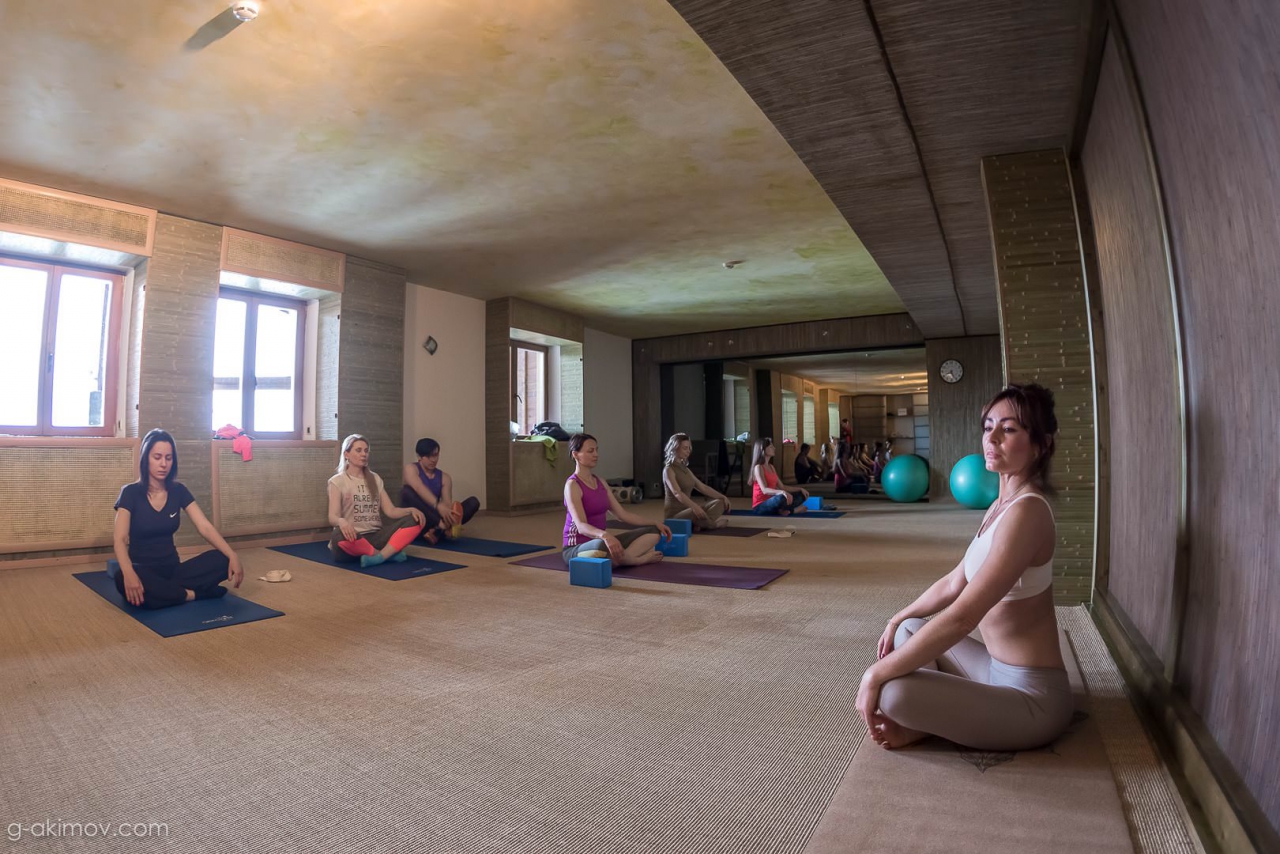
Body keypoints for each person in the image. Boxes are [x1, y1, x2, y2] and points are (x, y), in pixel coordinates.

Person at [856, 383, 1070, 752]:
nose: (992, 438)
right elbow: (955, 581)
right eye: (988, 427)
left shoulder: (1029, 512)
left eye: (1009, 428)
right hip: (990, 670)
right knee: (909, 628)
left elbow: (963, 618)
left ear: (1041, 444)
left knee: (893, 694)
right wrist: (896, 618)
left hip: (1032, 698)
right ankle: (943, 717)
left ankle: (928, 724)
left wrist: (874, 674)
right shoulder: (1000, 506)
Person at [112, 428, 244, 609]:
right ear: (145, 458)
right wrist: (129, 573)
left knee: (222, 560)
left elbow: (204, 526)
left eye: (168, 458)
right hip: (143, 571)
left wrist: (232, 554)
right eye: (157, 457)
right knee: (121, 577)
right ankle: (192, 594)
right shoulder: (130, 492)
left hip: (174, 570)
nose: (163, 464)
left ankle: (166, 593)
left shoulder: (178, 490)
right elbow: (119, 539)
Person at [563, 433, 672, 566]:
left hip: (602, 541)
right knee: (601, 546)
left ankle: (620, 560)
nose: (596, 454)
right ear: (575, 454)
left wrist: (654, 522)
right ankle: (636, 560)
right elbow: (581, 526)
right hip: (577, 548)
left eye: (597, 450)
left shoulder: (601, 482)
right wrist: (605, 535)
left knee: (653, 532)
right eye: (590, 451)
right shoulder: (572, 485)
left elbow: (622, 515)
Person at [327, 434, 425, 568]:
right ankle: (385, 555)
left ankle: (378, 557)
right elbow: (332, 517)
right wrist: (341, 521)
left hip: (376, 537)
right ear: (346, 454)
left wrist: (411, 510)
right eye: (358, 450)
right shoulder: (337, 481)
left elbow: (391, 511)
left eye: (366, 451)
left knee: (416, 519)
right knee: (338, 535)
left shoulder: (375, 478)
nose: (364, 454)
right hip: (352, 538)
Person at [401, 438, 480, 543]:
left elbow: (446, 504)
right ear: (419, 457)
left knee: (473, 502)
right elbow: (418, 487)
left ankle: (440, 529)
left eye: (436, 455)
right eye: (429, 456)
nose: (433, 460)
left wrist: (449, 516)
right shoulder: (410, 468)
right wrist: (437, 505)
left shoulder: (445, 478)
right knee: (406, 491)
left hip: (434, 519)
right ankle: (440, 528)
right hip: (417, 518)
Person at [662, 433, 731, 531]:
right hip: (675, 515)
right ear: (675, 448)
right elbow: (677, 493)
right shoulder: (668, 469)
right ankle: (714, 525)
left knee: (720, 503)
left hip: (689, 510)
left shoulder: (686, 470)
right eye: (685, 448)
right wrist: (694, 507)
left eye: (689, 448)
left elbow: (703, 488)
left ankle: (699, 523)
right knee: (696, 511)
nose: (688, 451)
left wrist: (723, 497)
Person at [750, 437, 809, 515]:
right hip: (760, 506)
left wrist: (800, 489)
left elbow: (782, 487)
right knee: (781, 497)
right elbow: (764, 490)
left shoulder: (771, 467)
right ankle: (792, 511)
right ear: (763, 450)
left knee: (801, 495)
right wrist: (781, 492)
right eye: (771, 447)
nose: (774, 448)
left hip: (773, 501)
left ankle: (782, 511)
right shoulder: (758, 467)